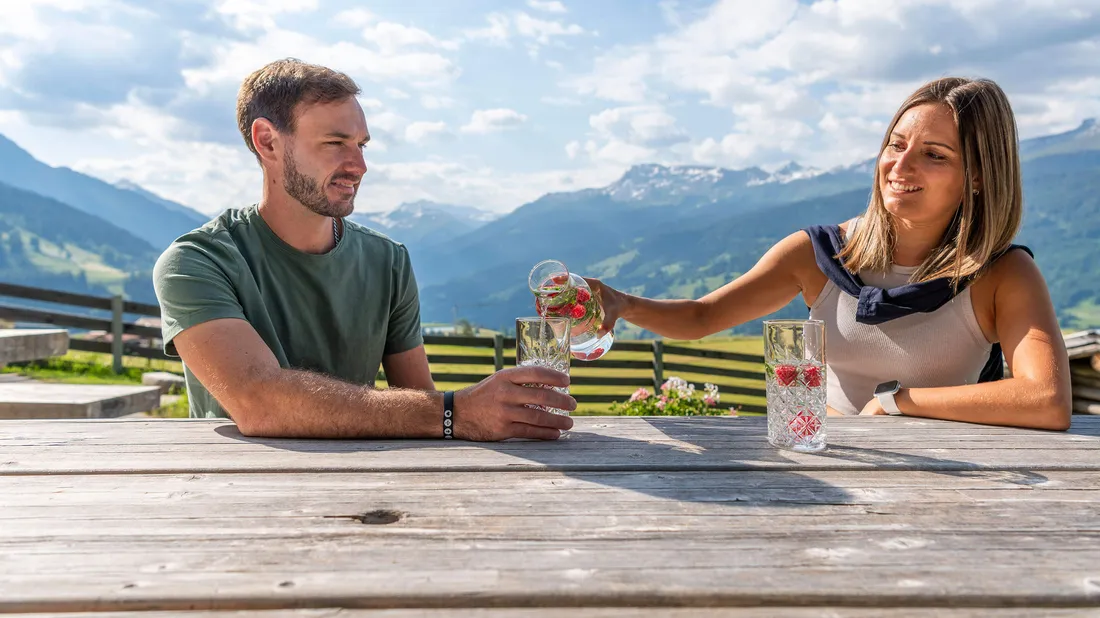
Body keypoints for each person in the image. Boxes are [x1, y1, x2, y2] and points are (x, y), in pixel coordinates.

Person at [586, 77, 1072, 431]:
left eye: (934, 154)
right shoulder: (820, 253)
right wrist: (623, 304)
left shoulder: (1003, 273)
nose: (899, 166)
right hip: (828, 457)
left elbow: (1046, 399)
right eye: (895, 145)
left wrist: (898, 402)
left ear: (980, 177)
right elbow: (701, 316)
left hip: (946, 475)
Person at [152, 58, 574, 440]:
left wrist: (473, 413)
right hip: (232, 497)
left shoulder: (388, 261)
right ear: (268, 142)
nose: (359, 166)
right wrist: (456, 411)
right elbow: (258, 402)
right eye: (336, 143)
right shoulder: (196, 262)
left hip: (365, 492)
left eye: (362, 144)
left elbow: (419, 406)